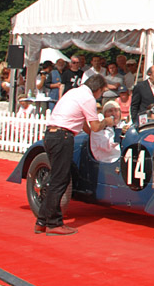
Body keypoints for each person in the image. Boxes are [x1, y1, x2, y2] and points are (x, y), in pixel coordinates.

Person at [35, 74, 109, 235]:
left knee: (56, 178)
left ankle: (42, 220)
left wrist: (93, 135)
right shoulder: (88, 98)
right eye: (101, 92)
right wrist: (107, 122)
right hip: (63, 137)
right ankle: (54, 223)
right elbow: (95, 126)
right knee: (60, 180)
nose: (100, 96)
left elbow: (84, 124)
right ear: (97, 90)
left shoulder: (74, 92)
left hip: (51, 134)